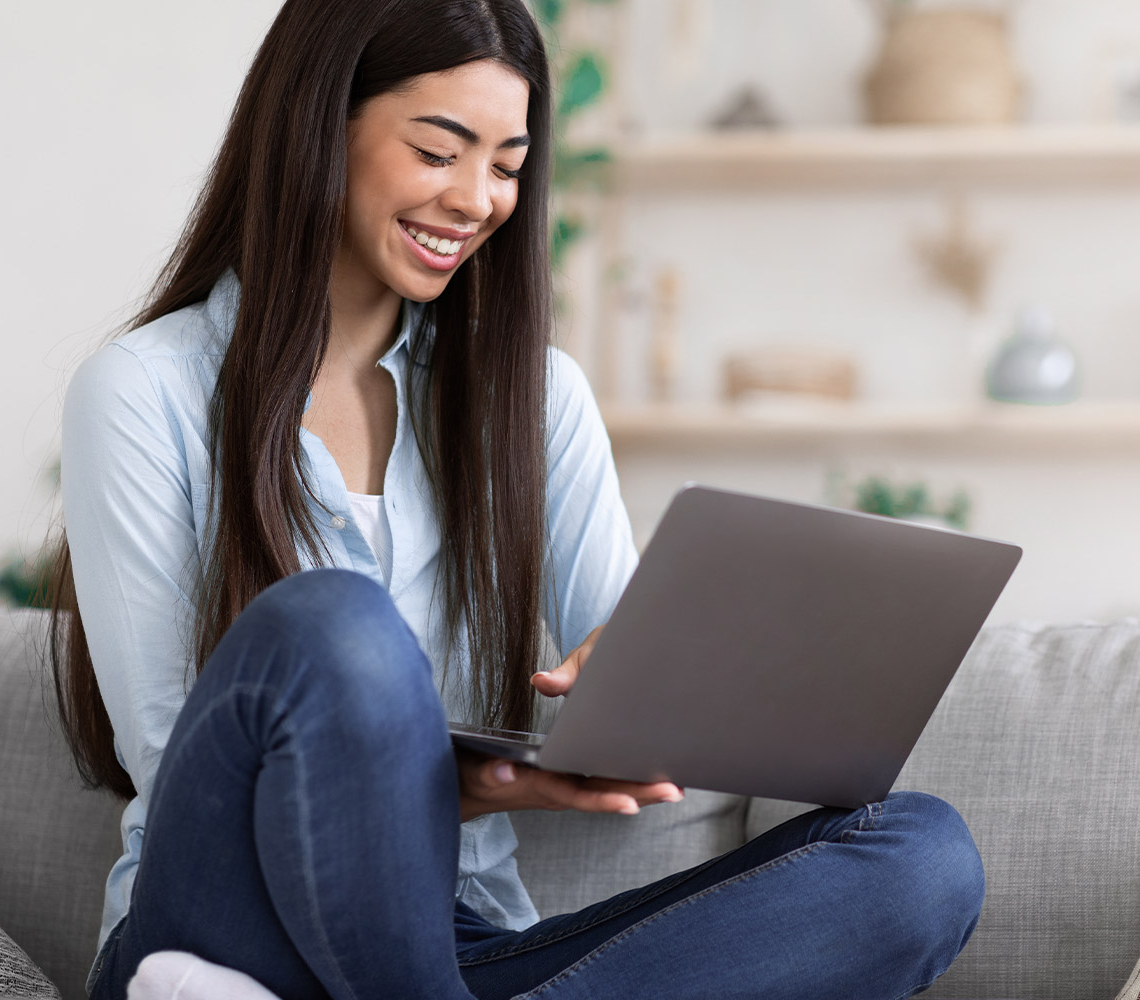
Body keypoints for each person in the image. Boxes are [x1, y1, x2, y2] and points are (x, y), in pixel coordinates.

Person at [51, 2, 985, 998]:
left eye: (505, 164)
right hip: (228, 918)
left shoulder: (533, 399)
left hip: (464, 941)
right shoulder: (144, 389)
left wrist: (639, 683)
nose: (475, 198)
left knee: (922, 857)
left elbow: (630, 673)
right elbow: (173, 753)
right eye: (439, 150)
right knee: (333, 626)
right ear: (318, 126)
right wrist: (441, 784)